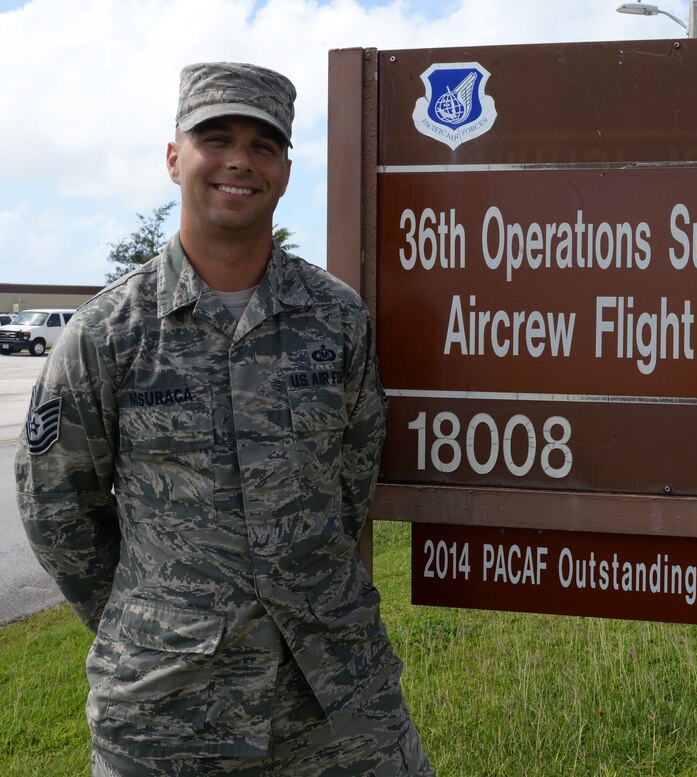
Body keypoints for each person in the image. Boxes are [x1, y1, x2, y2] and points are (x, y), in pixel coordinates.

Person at [15, 61, 434, 776]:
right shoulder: (109, 332)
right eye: (216, 137)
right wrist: (156, 618)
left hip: (337, 701)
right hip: (167, 713)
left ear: (285, 169)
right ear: (175, 157)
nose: (240, 159)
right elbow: (57, 509)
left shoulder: (335, 318)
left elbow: (352, 479)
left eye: (263, 144)